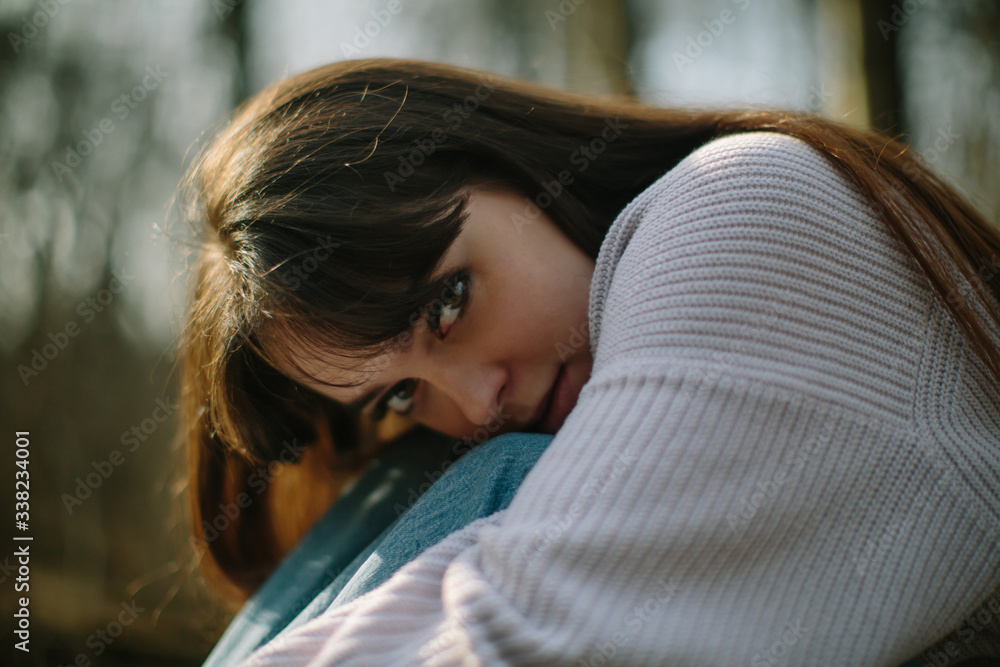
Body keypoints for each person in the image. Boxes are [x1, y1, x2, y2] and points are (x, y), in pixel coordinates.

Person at [175, 58, 1000, 665]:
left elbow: (532, 640)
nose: (474, 402)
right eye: (398, 392)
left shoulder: (742, 204)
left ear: (507, 164)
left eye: (450, 300)